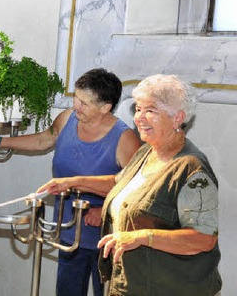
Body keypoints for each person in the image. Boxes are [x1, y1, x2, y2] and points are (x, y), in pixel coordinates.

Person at [0, 68, 141, 296]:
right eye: (76, 98)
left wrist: (103, 209)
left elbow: (137, 188)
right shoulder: (68, 119)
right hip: (67, 231)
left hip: (107, 239)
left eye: (84, 103)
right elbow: (44, 140)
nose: (76, 106)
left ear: (105, 108)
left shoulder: (124, 139)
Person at [37, 74, 221, 296]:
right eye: (139, 109)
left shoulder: (192, 170)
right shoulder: (147, 151)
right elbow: (120, 182)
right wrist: (72, 182)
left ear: (177, 118)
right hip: (131, 285)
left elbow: (203, 238)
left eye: (150, 111)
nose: (139, 118)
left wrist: (141, 237)